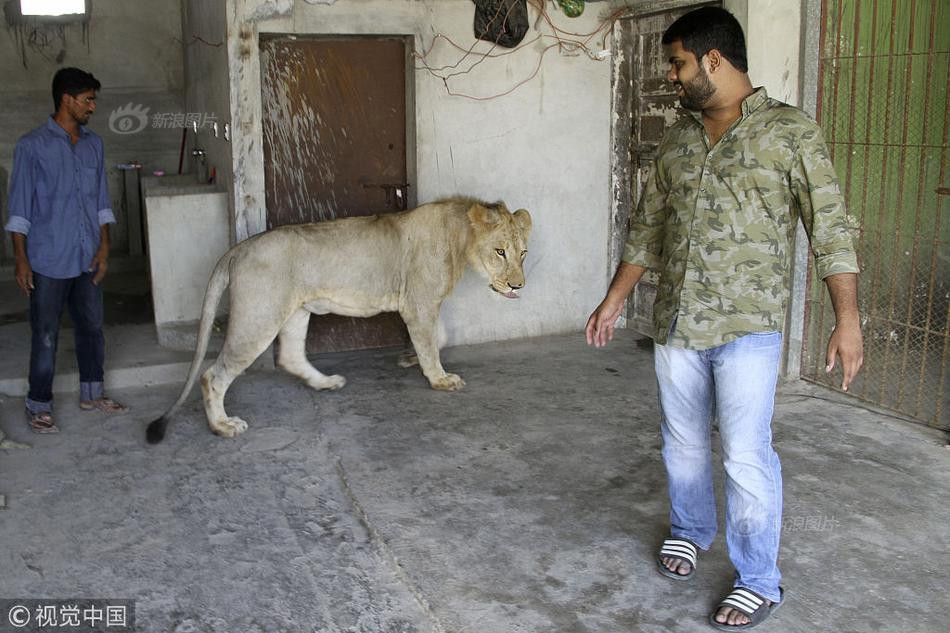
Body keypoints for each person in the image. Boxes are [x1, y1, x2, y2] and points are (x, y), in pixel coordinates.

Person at [585, 7, 863, 630]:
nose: (672, 77)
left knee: (745, 455)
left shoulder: (791, 133)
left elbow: (832, 231)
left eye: (678, 63)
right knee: (682, 444)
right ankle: (690, 529)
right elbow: (648, 226)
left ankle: (759, 578)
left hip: (748, 330)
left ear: (714, 60)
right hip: (677, 322)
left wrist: (848, 319)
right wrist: (615, 297)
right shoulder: (678, 139)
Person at [5, 67, 128, 434]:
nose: (93, 106)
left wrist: (105, 245)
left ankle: (93, 392)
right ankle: (38, 403)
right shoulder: (32, 146)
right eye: (88, 99)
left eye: (94, 99)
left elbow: (101, 201)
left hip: (87, 254)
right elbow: (19, 210)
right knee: (45, 334)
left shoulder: (94, 144)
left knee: (91, 327)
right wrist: (21, 259)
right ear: (67, 99)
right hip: (47, 257)